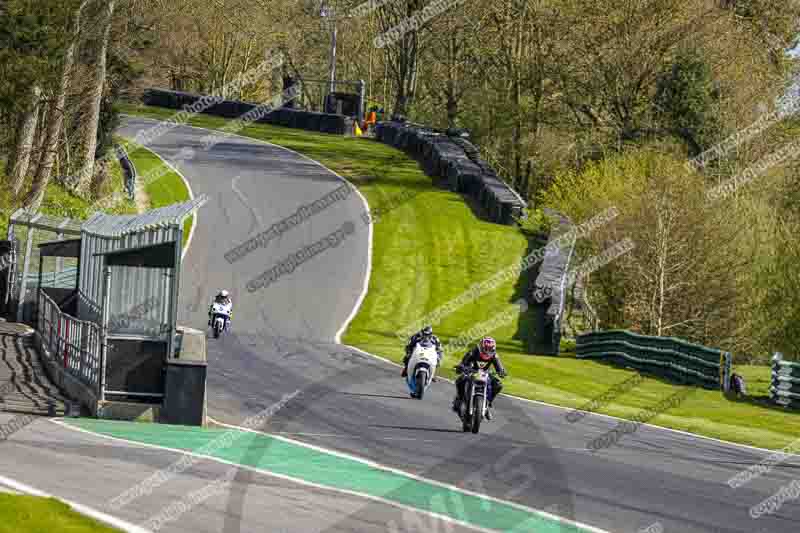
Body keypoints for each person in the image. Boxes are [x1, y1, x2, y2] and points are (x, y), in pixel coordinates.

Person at [452, 337, 506, 420]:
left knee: (498, 385)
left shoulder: (494, 355)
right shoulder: (473, 351)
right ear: (481, 347)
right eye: (486, 349)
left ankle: (488, 404)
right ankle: (459, 399)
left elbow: (499, 367)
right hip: (471, 371)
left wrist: (501, 372)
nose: (488, 351)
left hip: (485, 374)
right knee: (460, 380)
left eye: (490, 349)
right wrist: (461, 367)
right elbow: (464, 361)